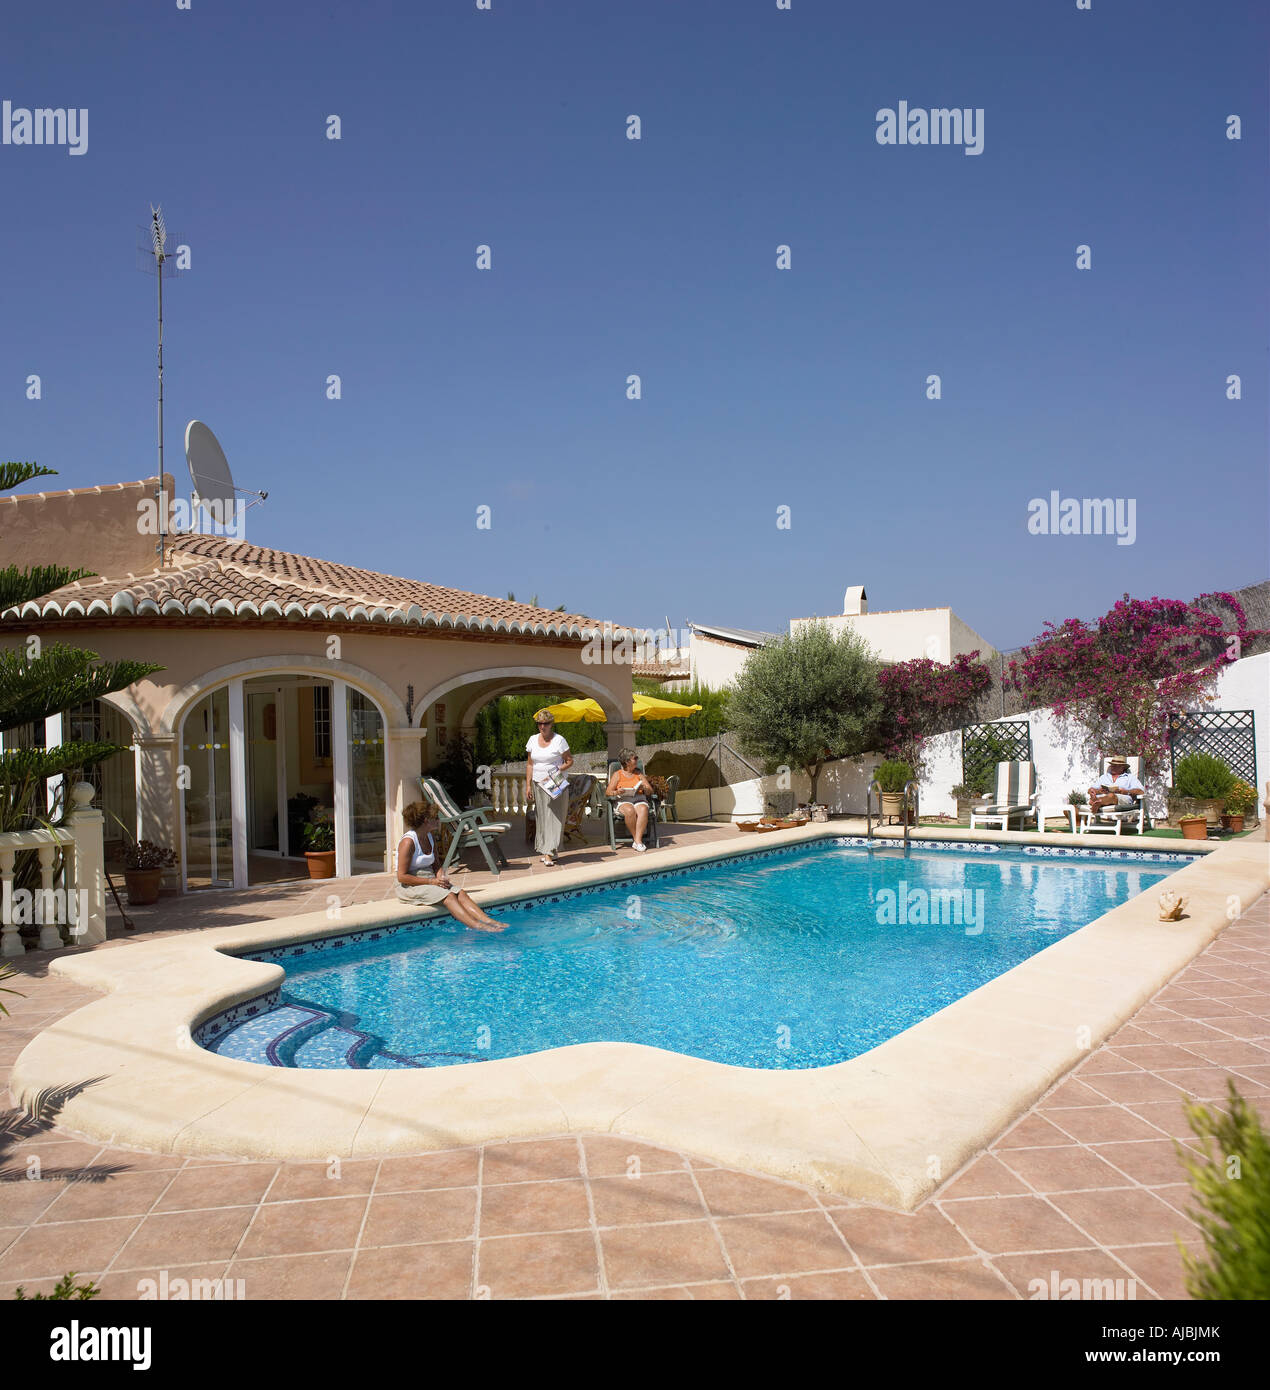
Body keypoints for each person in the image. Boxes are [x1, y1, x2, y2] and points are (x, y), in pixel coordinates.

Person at [395, 800, 508, 931]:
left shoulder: (429, 836)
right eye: (436, 818)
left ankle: (489, 921)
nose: (439, 820)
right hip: (410, 886)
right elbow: (401, 877)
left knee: (460, 893)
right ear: (426, 820)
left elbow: (436, 864)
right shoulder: (408, 842)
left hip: (429, 879)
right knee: (449, 896)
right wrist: (432, 882)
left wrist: (440, 877)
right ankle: (477, 926)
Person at [524, 709, 573, 865]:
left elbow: (569, 761)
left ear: (551, 724)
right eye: (539, 723)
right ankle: (548, 849)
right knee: (543, 817)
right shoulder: (532, 740)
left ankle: (549, 852)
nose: (542, 726)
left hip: (555, 782)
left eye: (545, 723)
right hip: (538, 783)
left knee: (555, 817)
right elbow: (530, 764)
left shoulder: (559, 740)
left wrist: (556, 771)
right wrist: (528, 786)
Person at [607, 748, 655, 852]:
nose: (637, 760)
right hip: (623, 800)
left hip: (639, 799)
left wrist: (645, 788)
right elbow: (608, 792)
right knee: (630, 810)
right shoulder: (617, 775)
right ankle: (637, 840)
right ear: (627, 762)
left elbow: (650, 790)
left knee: (643, 809)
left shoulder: (639, 774)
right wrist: (616, 792)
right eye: (635, 758)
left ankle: (637, 841)